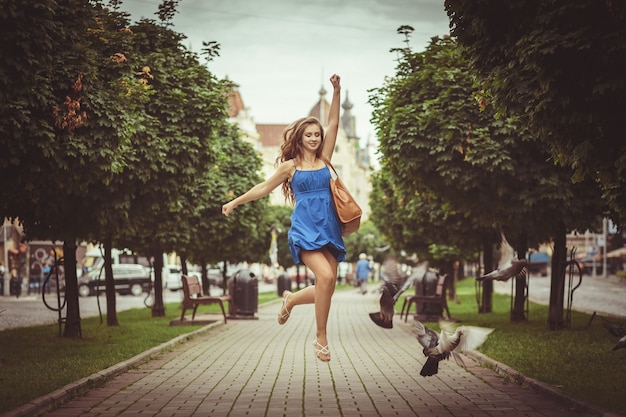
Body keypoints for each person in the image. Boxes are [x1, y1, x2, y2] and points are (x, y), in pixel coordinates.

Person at [222, 74, 344, 362]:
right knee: (325, 276)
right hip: (305, 230)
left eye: (317, 135)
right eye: (309, 135)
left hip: (328, 227)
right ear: (300, 138)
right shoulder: (290, 167)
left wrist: (336, 90)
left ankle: (290, 300)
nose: (314, 139)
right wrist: (235, 201)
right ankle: (321, 337)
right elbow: (264, 187)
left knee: (327, 287)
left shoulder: (325, 159)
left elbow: (335, 123)